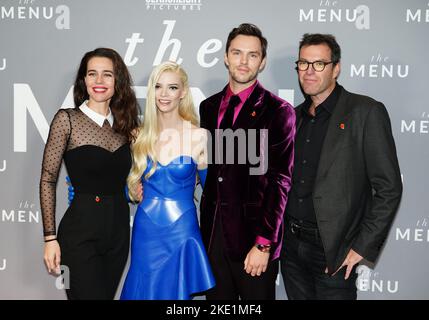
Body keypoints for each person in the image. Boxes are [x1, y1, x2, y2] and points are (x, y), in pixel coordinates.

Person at [280, 33, 403, 300]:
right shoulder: (293, 116)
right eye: (303, 63)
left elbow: (389, 187)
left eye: (319, 64)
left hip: (332, 252)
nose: (309, 71)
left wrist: (362, 246)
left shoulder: (365, 112)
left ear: (336, 68)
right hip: (291, 250)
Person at [199, 23, 295, 300]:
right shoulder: (209, 107)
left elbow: (281, 181)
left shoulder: (278, 111)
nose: (243, 61)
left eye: (252, 55)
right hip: (213, 236)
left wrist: (264, 244)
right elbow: (208, 166)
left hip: (253, 240)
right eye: (237, 53)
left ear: (262, 62)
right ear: (226, 57)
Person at [40, 47, 140, 299]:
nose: (99, 81)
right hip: (79, 234)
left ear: (117, 81)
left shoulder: (127, 127)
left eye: (107, 74)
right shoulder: (67, 120)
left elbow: (132, 175)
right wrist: (50, 238)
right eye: (92, 74)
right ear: (83, 80)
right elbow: (48, 179)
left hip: (118, 233)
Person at [120, 61, 215, 300]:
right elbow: (125, 188)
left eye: (172, 87)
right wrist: (130, 188)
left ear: (183, 92)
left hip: (183, 230)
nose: (164, 94)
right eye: (158, 87)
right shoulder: (137, 135)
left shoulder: (199, 136)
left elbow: (213, 192)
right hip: (145, 229)